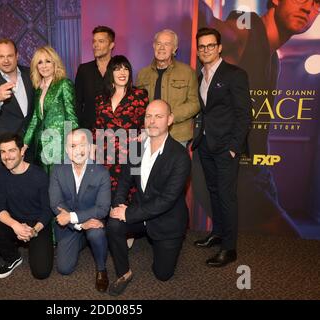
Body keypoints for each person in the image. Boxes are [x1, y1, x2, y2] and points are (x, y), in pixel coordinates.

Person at [197, 0, 319, 235]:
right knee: (288, 246)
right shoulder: (246, 26)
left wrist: (264, 170)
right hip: (227, 171)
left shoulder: (274, 59)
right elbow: (209, 23)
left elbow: (257, 125)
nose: (308, 8)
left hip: (255, 170)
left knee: (261, 254)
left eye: (317, 4)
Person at [107, 100, 191, 296]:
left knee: (162, 274)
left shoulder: (179, 156)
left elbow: (167, 200)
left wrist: (128, 212)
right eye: (148, 116)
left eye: (159, 116)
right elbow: (124, 180)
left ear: (170, 120)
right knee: (113, 224)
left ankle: (161, 244)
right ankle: (124, 272)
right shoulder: (137, 148)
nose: (152, 121)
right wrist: (119, 205)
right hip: (141, 212)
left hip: (167, 220)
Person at [191, 28, 252, 267]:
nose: (205, 50)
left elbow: (244, 114)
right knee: (213, 192)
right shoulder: (200, 77)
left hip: (226, 147)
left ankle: (229, 248)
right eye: (202, 46)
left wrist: (234, 147)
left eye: (210, 45)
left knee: (227, 197)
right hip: (206, 144)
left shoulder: (235, 74)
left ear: (219, 47)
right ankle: (217, 233)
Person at [49, 129, 111, 292]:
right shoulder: (57, 169)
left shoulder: (101, 172)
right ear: (67, 150)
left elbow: (103, 208)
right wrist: (78, 224)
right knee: (64, 268)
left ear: (90, 148)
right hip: (69, 226)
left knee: (96, 233)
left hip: (92, 220)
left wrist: (73, 217)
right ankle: (82, 240)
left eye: (83, 144)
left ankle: (101, 269)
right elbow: (56, 203)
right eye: (73, 145)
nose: (79, 150)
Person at [0, 133, 53, 280]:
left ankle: (32, 244)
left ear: (22, 151)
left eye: (12, 150)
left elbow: (48, 211)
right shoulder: (1, 174)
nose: (7, 156)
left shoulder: (39, 175)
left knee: (41, 272)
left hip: (38, 224)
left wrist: (33, 231)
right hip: (14, 221)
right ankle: (14, 257)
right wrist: (15, 225)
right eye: (3, 151)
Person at [93, 55, 148, 199]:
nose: (122, 73)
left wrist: (145, 133)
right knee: (105, 194)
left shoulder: (139, 95)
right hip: (105, 155)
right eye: (117, 69)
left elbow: (147, 122)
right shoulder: (100, 98)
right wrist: (93, 147)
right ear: (111, 73)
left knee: (128, 195)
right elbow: (98, 127)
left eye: (125, 69)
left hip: (131, 153)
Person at [136, 29, 199, 147]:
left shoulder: (187, 72)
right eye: (159, 44)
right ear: (154, 46)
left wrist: (170, 117)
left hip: (177, 136)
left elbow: (195, 103)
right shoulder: (142, 74)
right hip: (150, 136)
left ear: (174, 49)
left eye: (167, 44)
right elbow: (138, 106)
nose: (162, 48)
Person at [23, 46, 79, 174]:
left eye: (48, 61)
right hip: (41, 146)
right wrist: (25, 144)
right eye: (40, 62)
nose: (44, 66)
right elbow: (35, 119)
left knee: (60, 185)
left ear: (55, 63)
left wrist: (72, 145)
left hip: (60, 145)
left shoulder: (64, 83)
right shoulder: (38, 89)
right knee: (44, 186)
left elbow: (71, 116)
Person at [0, 39, 35, 165]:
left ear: (17, 56)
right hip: (5, 150)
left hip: (30, 146)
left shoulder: (31, 73)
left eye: (10, 56)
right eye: (1, 56)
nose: (6, 60)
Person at [75, 26, 115, 130]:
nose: (95, 45)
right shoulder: (84, 70)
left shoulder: (120, 68)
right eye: (94, 41)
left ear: (111, 45)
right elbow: (77, 102)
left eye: (101, 41)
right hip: (88, 130)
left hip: (115, 131)